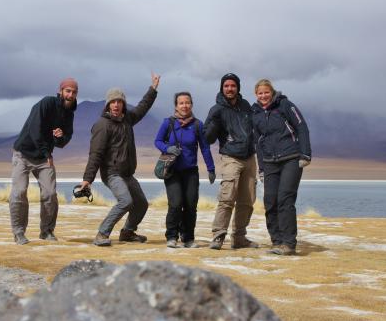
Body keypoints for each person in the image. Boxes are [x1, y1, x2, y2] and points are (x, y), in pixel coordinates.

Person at [80, 72, 160, 247]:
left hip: (127, 173)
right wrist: (87, 179)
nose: (116, 105)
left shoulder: (127, 120)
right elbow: (95, 154)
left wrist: (153, 89)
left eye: (119, 101)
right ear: (108, 105)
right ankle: (102, 233)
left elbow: (142, 107)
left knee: (141, 204)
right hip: (112, 173)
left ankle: (128, 232)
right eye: (112, 102)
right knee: (126, 201)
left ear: (123, 104)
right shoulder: (102, 125)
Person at [9, 78, 78, 245]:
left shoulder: (69, 114)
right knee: (19, 192)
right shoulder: (46, 103)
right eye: (67, 91)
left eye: (74, 92)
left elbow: (64, 141)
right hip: (23, 154)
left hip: (43, 158)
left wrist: (60, 137)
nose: (70, 95)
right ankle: (19, 233)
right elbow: (35, 129)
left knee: (50, 194)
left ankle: (46, 231)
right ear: (60, 91)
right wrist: (47, 152)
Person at [252, 79, 311, 256]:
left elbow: (302, 127)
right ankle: (276, 241)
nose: (263, 96)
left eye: (266, 92)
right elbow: (258, 142)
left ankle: (289, 243)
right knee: (270, 201)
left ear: (272, 92)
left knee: (285, 199)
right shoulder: (256, 114)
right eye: (260, 93)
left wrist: (305, 154)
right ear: (256, 95)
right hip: (270, 162)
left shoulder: (285, 105)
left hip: (291, 159)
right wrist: (261, 168)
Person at [204, 73, 259, 250]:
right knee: (227, 198)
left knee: (247, 200)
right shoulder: (216, 109)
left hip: (250, 157)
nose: (229, 89)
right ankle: (218, 236)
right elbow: (208, 138)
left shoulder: (245, 106)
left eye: (233, 86)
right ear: (222, 88)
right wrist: (214, 124)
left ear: (238, 88)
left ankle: (239, 238)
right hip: (231, 157)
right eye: (226, 86)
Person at [155, 92, 216, 248]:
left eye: (187, 102)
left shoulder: (197, 124)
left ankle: (188, 238)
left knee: (190, 205)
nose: (184, 105)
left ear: (191, 105)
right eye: (181, 103)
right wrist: (168, 148)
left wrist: (211, 168)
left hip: (190, 172)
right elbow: (157, 141)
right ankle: (171, 236)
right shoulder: (168, 123)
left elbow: (205, 148)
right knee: (175, 204)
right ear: (176, 106)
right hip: (172, 170)